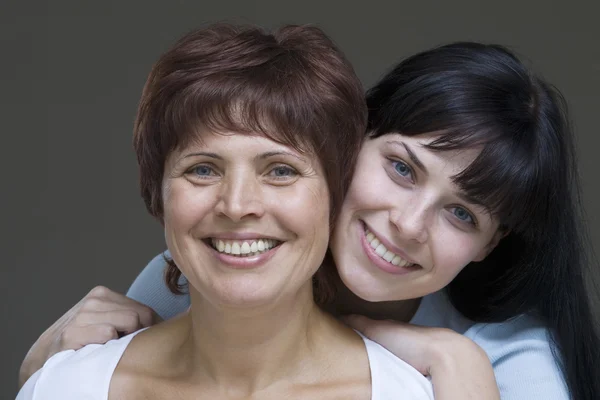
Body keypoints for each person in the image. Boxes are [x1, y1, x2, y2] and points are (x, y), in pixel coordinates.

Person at [20, 40, 600, 399]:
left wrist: (454, 358)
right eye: (401, 168)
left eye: (461, 213)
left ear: (489, 244)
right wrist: (43, 366)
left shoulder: (513, 359)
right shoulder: (215, 260)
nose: (408, 223)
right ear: (346, 143)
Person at [17, 23, 438, 400]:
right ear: (157, 194)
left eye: (280, 170)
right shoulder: (65, 387)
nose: (237, 206)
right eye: (202, 169)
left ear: (335, 196)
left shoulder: (410, 394)